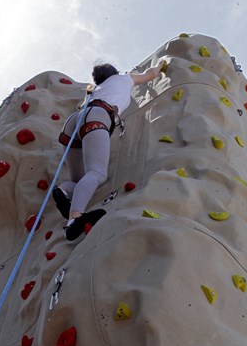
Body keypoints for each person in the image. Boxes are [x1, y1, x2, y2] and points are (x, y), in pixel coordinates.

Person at [53, 60, 165, 241]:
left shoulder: (96, 89)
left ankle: (63, 191)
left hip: (73, 122)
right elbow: (150, 75)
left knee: (81, 182)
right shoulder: (124, 78)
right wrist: (160, 65)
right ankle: (75, 219)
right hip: (98, 116)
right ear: (114, 72)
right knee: (97, 173)